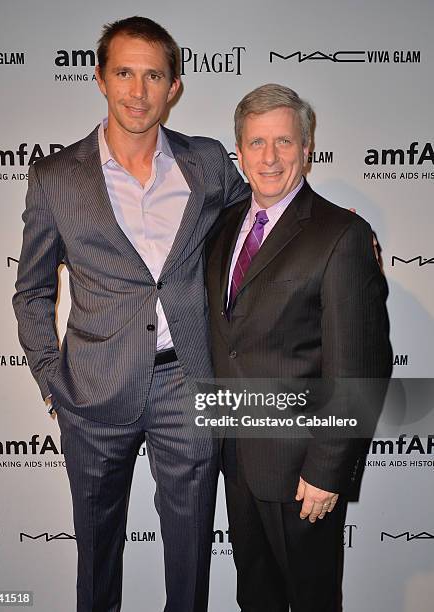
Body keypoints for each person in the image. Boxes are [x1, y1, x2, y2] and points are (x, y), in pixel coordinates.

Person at [12, 16, 249, 612]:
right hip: (92, 391)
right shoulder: (56, 178)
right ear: (99, 79)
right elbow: (31, 291)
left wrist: (336, 230)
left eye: (153, 76)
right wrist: (52, 383)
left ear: (174, 87)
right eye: (124, 73)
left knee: (191, 558)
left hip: (188, 383)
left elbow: (264, 233)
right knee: (96, 558)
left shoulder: (210, 164)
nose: (137, 91)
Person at [206, 83, 392, 612]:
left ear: (307, 147)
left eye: (284, 142)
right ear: (238, 151)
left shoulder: (341, 234)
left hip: (303, 474)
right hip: (236, 459)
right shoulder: (222, 227)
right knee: (255, 599)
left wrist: (328, 470)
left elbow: (361, 365)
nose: (269, 157)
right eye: (256, 142)